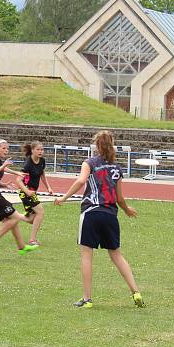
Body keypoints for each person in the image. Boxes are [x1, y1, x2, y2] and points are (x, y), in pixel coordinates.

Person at [55, 131, 144, 308]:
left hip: (91, 212)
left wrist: (63, 198)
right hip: (110, 215)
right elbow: (119, 198)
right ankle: (136, 292)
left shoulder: (89, 163)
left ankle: (87, 299)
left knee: (87, 255)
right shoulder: (116, 168)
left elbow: (81, 181)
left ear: (96, 145)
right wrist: (126, 210)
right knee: (116, 255)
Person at [0, 140, 38, 256]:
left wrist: (15, 174)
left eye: (7, 148)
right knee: (15, 218)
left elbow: (2, 170)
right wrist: (3, 166)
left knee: (11, 221)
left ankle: (22, 247)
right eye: (3, 148)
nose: (6, 150)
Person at [16, 141, 53, 246]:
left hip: (32, 192)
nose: (40, 151)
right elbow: (18, 180)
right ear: (32, 150)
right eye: (38, 149)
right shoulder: (28, 163)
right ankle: (32, 240)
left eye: (42, 149)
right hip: (25, 191)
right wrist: (26, 191)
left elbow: (42, 175)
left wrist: (48, 187)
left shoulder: (42, 161)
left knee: (33, 219)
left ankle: (14, 216)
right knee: (40, 212)